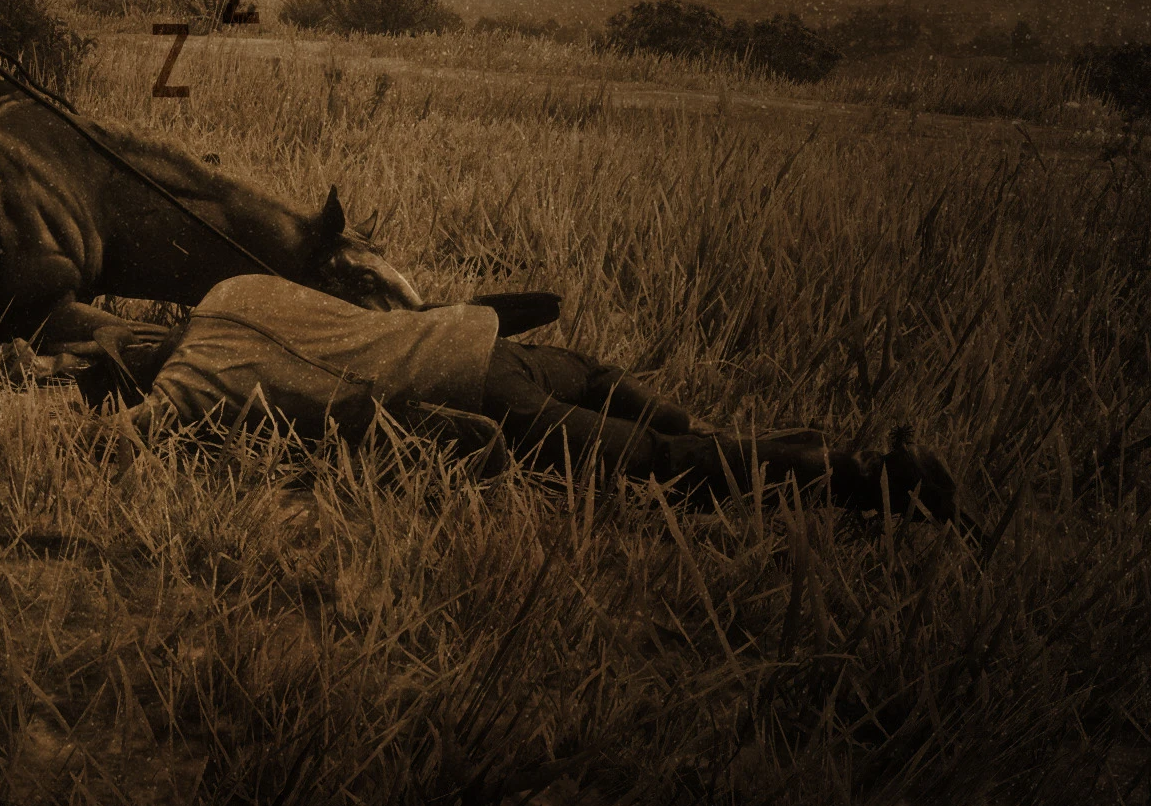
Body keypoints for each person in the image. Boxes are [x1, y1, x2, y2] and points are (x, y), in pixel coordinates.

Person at [67, 274, 954, 520]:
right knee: (619, 392)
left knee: (659, 467)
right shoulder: (233, 289)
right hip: (485, 342)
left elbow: (116, 441)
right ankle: (792, 448)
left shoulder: (187, 388)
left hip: (478, 396)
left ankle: (869, 479)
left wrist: (75, 416)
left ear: (142, 369)